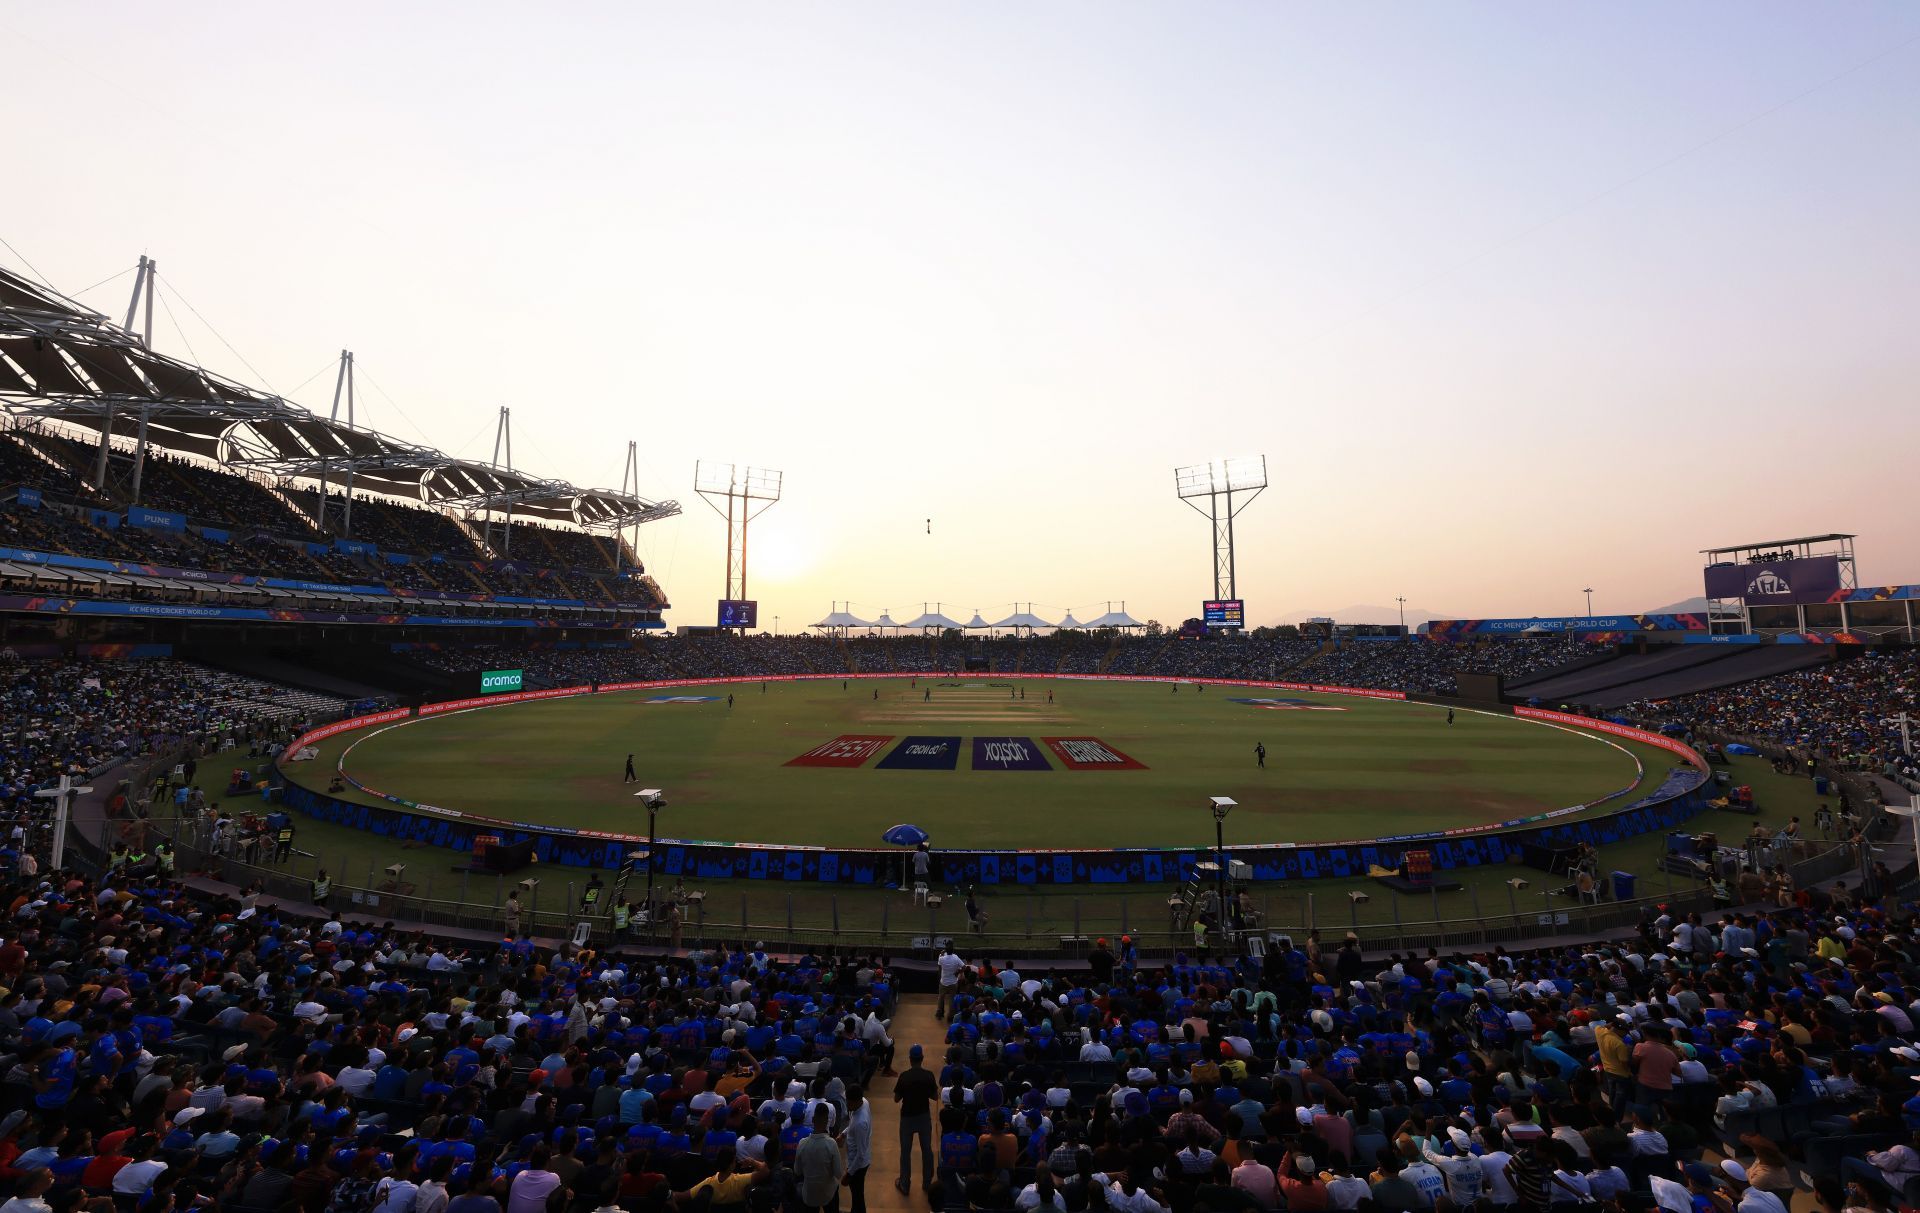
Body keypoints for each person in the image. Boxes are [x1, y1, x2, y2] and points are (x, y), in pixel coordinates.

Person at [894, 1044, 937, 1196]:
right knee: (927, 1150)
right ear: (922, 1059)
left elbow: (896, 1098)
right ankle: (927, 1183)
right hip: (923, 1117)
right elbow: (935, 1096)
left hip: (907, 1118)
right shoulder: (929, 1075)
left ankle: (905, 1184)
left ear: (910, 1059)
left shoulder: (904, 1076)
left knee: (905, 1152)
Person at [795, 1103, 844, 1212]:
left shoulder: (802, 1144)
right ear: (827, 1120)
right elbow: (838, 1173)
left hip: (809, 1195)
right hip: (828, 1194)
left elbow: (797, 1171)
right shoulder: (831, 1144)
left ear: (813, 1119)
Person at [843, 1085, 872, 1213]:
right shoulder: (864, 1102)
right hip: (856, 1162)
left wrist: (849, 1174)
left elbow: (860, 1154)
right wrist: (843, 1133)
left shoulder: (861, 1123)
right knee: (857, 1196)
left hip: (858, 1166)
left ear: (856, 1101)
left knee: (857, 1196)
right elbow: (851, 1124)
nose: (846, 1104)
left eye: (849, 1102)